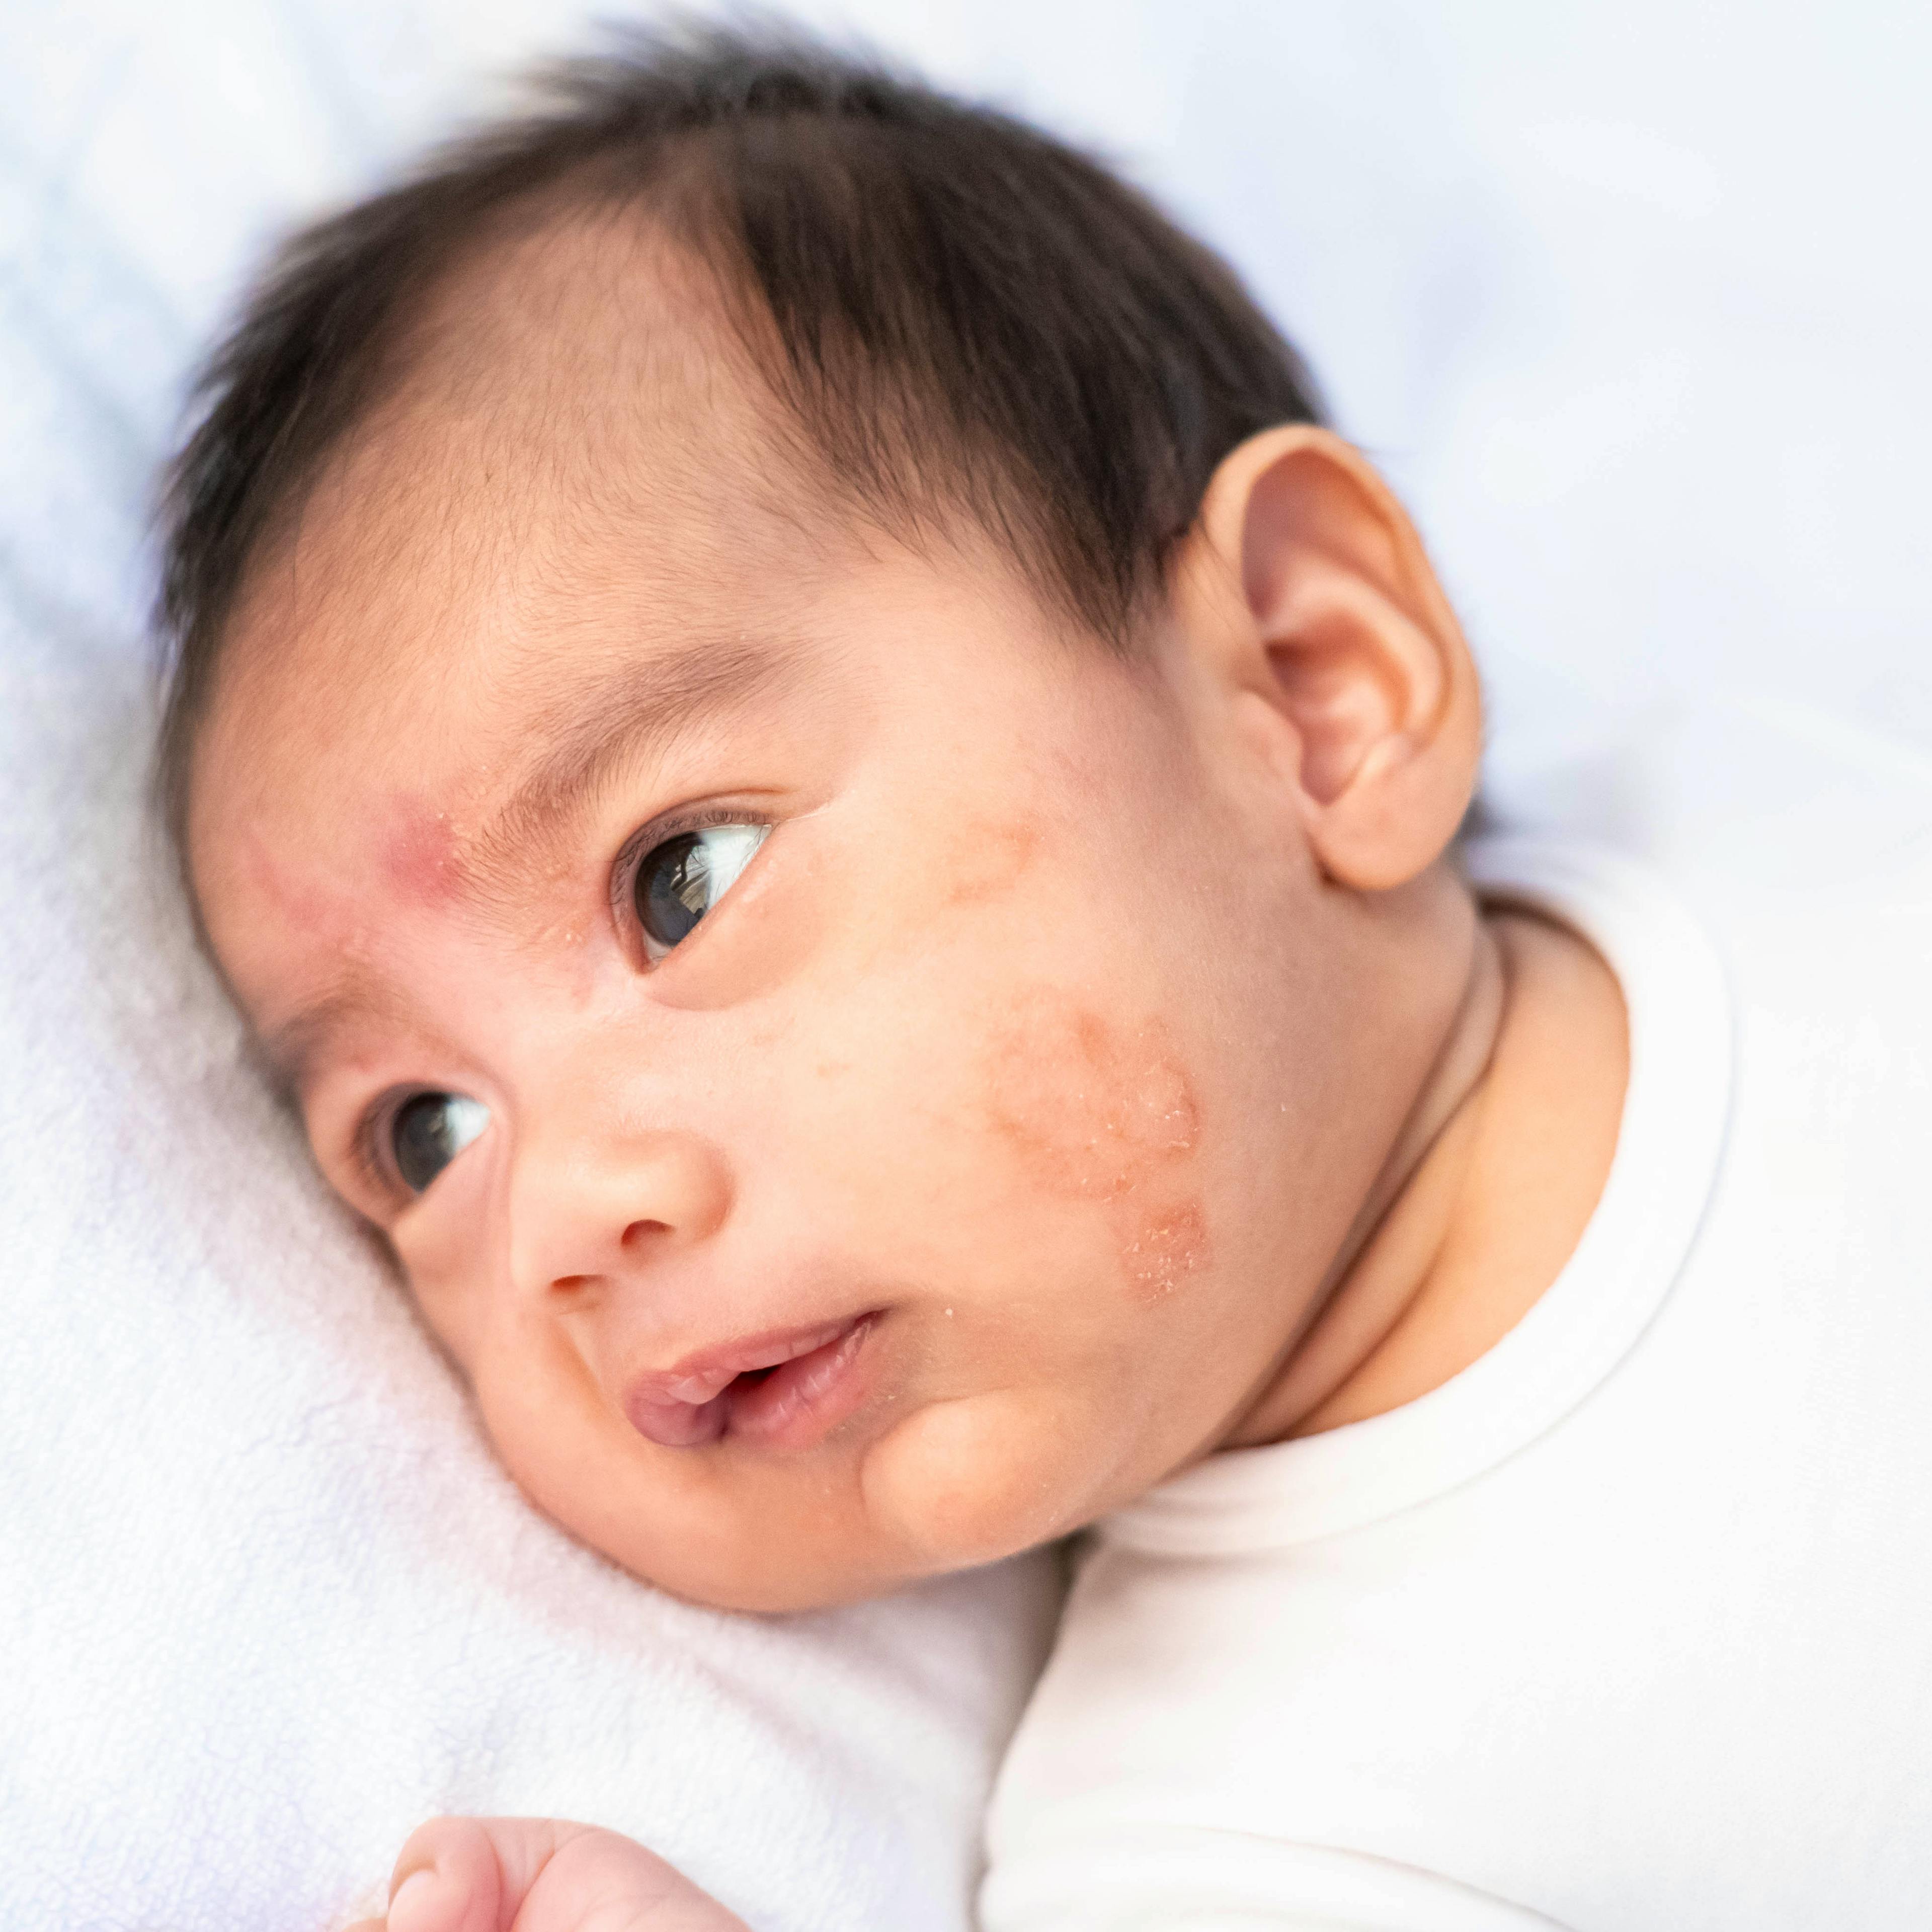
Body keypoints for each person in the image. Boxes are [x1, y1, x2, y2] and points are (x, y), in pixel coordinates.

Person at [158, 25, 1932, 1932]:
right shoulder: (1240, 1833)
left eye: (684, 878)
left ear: (1310, 687)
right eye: (423, 1133)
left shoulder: (1790, 816)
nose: (565, 1220)